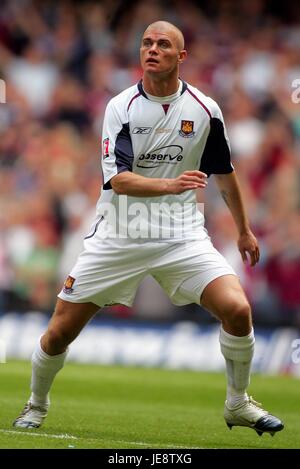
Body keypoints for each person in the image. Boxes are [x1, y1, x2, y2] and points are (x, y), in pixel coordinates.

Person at [14, 21, 283, 436]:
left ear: (181, 56)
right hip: (120, 233)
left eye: (163, 44)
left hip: (181, 234)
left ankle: (238, 403)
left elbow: (225, 173)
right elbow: (117, 179)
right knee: (58, 332)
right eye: (146, 43)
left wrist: (244, 230)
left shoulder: (205, 108)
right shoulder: (120, 107)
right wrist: (171, 184)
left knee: (238, 309)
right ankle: (36, 404)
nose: (152, 49)